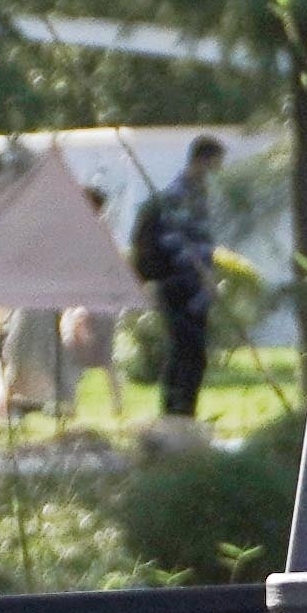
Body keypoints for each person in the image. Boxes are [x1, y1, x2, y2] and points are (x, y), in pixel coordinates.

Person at [129, 135, 225, 419]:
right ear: (204, 159)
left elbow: (203, 238)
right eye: (216, 161)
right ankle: (175, 411)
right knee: (185, 349)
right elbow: (175, 241)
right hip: (179, 285)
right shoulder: (178, 194)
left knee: (194, 353)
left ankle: (185, 411)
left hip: (198, 288)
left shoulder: (200, 193)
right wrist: (199, 271)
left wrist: (210, 274)